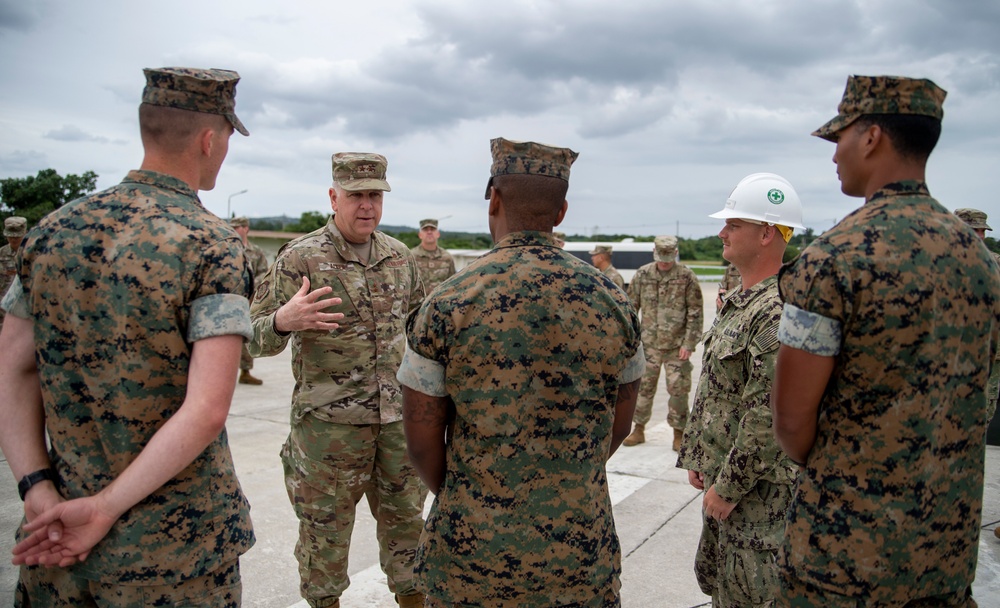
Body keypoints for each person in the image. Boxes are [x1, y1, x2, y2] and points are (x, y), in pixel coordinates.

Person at [0, 67, 254, 606]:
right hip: (174, 556)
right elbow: (207, 409)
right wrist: (105, 507)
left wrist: (35, 486)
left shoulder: (51, 231)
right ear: (209, 140)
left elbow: (13, 367)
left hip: (55, 538)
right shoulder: (212, 245)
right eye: (228, 138)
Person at [772, 75, 999, 606]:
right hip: (945, 550)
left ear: (871, 137)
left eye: (840, 138)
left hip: (845, 555)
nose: (835, 155)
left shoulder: (834, 258)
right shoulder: (981, 261)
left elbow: (791, 423)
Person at [398, 137, 644, 606]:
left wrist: (473, 497)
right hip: (579, 558)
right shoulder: (614, 302)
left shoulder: (448, 302)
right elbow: (621, 424)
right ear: (562, 212)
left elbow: (421, 441)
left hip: (472, 561)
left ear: (493, 199)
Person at [248, 152, 426, 608]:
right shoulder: (301, 257)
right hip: (329, 431)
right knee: (324, 536)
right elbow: (250, 338)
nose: (367, 205)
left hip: (396, 427)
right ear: (333, 197)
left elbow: (422, 333)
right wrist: (283, 321)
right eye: (356, 195)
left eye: (375, 196)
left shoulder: (400, 257)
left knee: (410, 530)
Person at [677, 173, 804, 607]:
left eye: (734, 224)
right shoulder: (743, 301)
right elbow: (719, 390)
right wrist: (699, 457)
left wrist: (729, 486)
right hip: (728, 484)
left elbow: (767, 416)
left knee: (749, 597)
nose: (722, 233)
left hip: (756, 499)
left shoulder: (776, 311)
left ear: (767, 233)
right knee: (721, 589)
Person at [623, 234, 703, 450]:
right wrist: (632, 341)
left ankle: (679, 433)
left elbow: (695, 312)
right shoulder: (643, 274)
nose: (665, 263)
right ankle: (638, 429)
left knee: (679, 390)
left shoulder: (686, 277)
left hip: (677, 347)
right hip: (648, 345)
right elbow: (631, 309)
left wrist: (689, 343)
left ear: (675, 253)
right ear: (654, 253)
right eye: (661, 258)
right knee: (643, 388)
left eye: (668, 258)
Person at [955, 208, 1000, 420]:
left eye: (983, 231)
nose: (980, 236)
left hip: (990, 348)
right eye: (975, 230)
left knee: (986, 405)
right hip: (952, 348)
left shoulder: (996, 263)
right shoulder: (938, 260)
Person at [229, 216, 269, 385]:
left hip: (249, 300)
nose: (233, 230)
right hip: (229, 299)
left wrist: (252, 284)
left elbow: (265, 273)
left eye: (236, 227)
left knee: (247, 334)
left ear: (245, 229)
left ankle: (245, 371)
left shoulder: (256, 251)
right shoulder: (227, 248)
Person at [410, 218, 456, 294]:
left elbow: (453, 284)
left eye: (432, 229)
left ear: (438, 234)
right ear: (420, 235)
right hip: (418, 301)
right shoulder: (411, 256)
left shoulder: (447, 257)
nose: (429, 232)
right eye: (425, 230)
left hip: (441, 300)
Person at [0, 216, 27, 330]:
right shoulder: (1, 253)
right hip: (3, 305)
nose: (13, 239)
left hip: (25, 305)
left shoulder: (31, 252)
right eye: (10, 236)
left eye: (17, 236)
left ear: (24, 233)